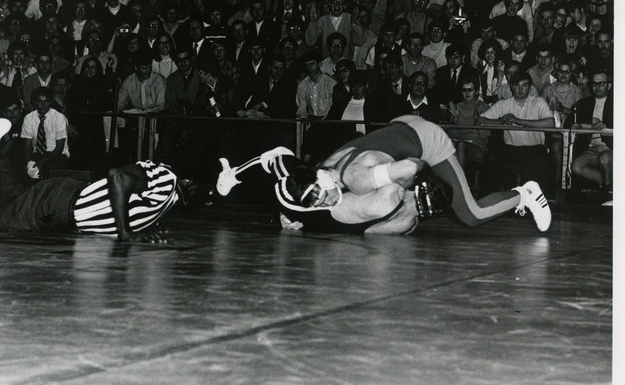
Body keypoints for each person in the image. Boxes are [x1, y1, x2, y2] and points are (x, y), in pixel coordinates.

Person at [217, 114, 551, 234]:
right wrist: (236, 177)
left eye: (325, 198)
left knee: (471, 214)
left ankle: (524, 194)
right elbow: (278, 161)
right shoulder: (319, 170)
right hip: (398, 127)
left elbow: (409, 167)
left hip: (426, 142)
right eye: (322, 203)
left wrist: (412, 187)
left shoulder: (355, 180)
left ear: (326, 183)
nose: (329, 203)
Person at [0, 116, 188, 243]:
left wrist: (145, 223)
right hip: (58, 204)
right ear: (189, 181)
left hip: (61, 199)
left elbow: (136, 200)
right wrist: (126, 232)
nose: (208, 193)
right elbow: (118, 177)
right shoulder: (168, 178)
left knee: (12, 196)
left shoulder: (171, 192)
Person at [570, 69, 613, 199]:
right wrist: (590, 126)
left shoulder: (618, 102)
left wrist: (603, 127)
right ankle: (608, 184)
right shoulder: (584, 103)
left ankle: (606, 193)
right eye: (594, 83)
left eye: (601, 83)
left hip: (612, 148)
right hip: (591, 149)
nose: (597, 86)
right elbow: (570, 124)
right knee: (576, 166)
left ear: (609, 85)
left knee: (604, 159)